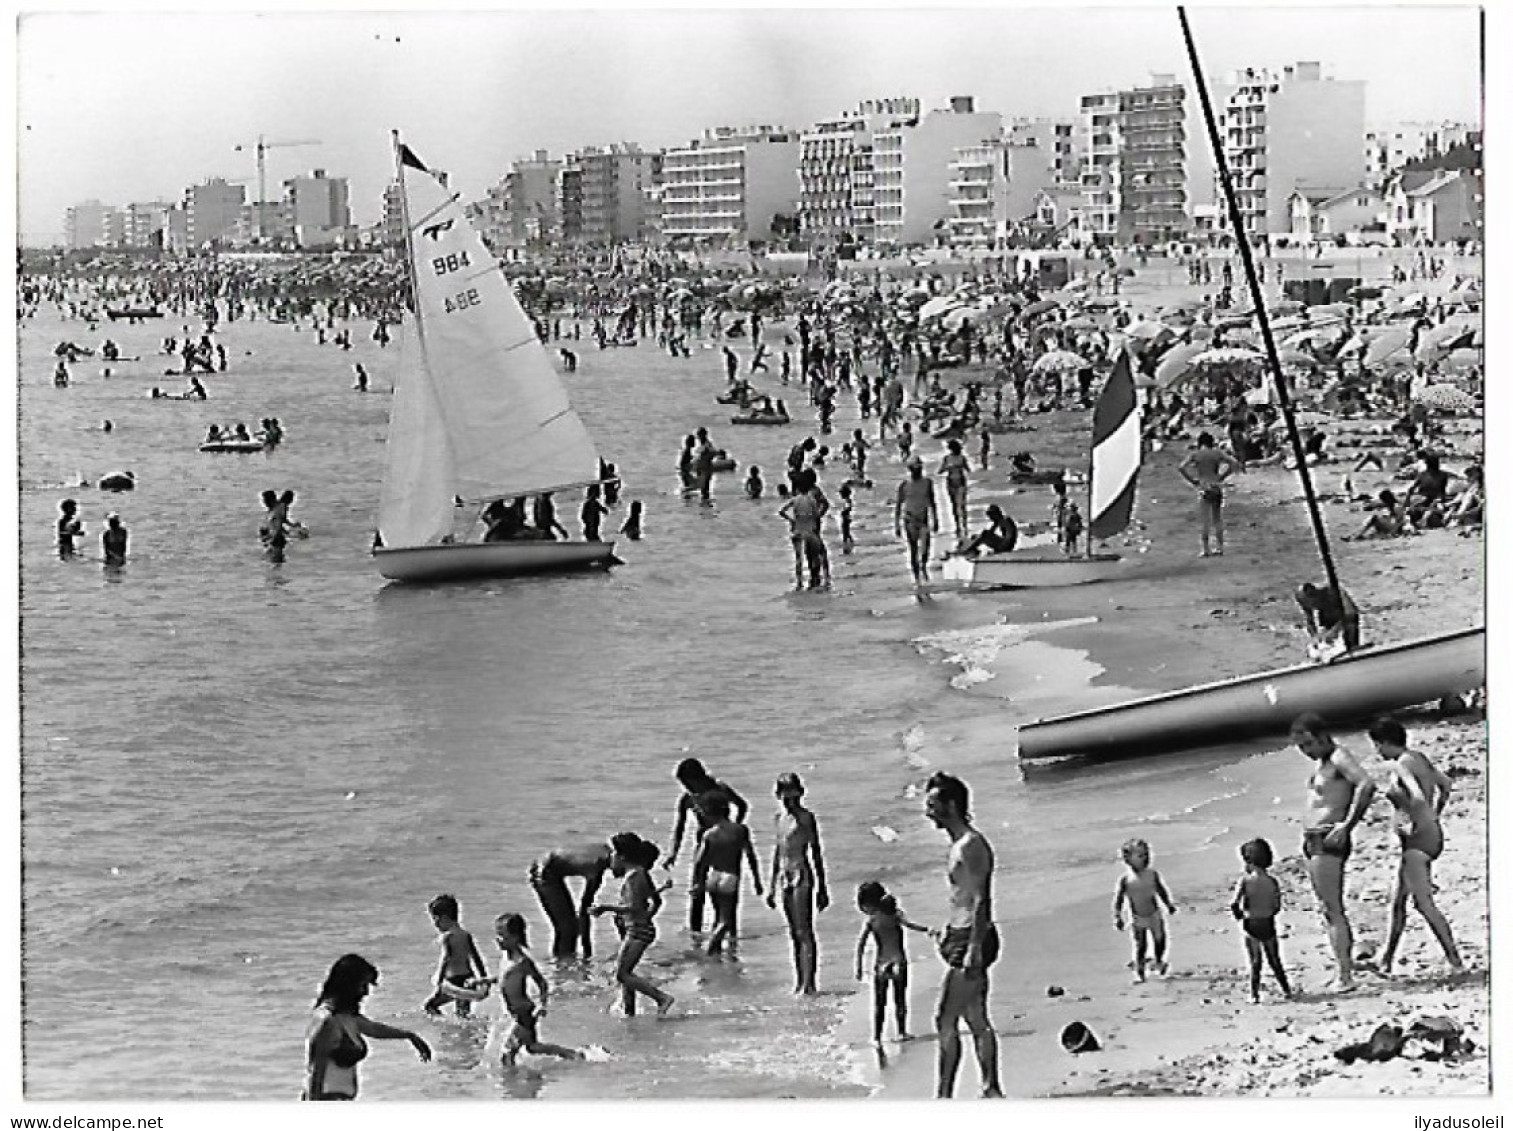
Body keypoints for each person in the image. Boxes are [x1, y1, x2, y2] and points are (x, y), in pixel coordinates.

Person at [923, 771, 1002, 1098]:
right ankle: (990, 1088)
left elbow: (982, 897)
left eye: (932, 805)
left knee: (945, 1019)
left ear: (951, 805)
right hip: (962, 933)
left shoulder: (972, 845)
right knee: (975, 1017)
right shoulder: (959, 844)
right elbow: (963, 896)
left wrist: (972, 946)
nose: (928, 813)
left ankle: (944, 1096)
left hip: (973, 936)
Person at [1368, 717, 1464, 974]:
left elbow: (1418, 796)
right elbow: (1445, 785)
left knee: (1423, 904)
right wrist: (1435, 816)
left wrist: (1411, 817)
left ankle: (1456, 961)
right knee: (1398, 901)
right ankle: (1385, 960)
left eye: (1377, 745)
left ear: (1386, 743)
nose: (1377, 751)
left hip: (1417, 841)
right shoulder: (1418, 757)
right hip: (1431, 834)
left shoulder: (1401, 765)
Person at [1291, 711, 1376, 992]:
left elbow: (1366, 785)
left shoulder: (1339, 757)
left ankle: (1345, 976)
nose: (1306, 752)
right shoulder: (1325, 762)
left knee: (1333, 909)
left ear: (1322, 737)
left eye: (1308, 745)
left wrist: (1347, 825)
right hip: (1316, 839)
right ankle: (1342, 969)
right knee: (1326, 909)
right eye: (1301, 748)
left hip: (1328, 838)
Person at [303, 954, 431, 1101]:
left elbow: (374, 1029)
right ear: (348, 985)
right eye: (362, 985)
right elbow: (316, 1073)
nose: (366, 992)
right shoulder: (327, 1020)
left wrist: (409, 1036)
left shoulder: (347, 1017)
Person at [591, 833, 676, 1017]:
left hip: (637, 931)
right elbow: (654, 900)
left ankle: (661, 998)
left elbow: (633, 906)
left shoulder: (633, 877)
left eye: (613, 852)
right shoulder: (640, 873)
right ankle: (629, 1011)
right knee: (626, 973)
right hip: (639, 928)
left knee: (622, 974)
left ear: (622, 856)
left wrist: (605, 907)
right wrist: (647, 917)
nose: (610, 857)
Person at [482, 913, 583, 1065]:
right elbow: (506, 978)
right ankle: (571, 1054)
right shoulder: (505, 958)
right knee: (532, 1048)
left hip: (525, 1014)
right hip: (516, 1013)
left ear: (516, 938)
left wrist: (542, 1004)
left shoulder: (522, 962)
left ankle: (511, 1084)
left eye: (503, 936)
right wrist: (487, 980)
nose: (498, 940)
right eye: (497, 935)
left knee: (507, 1053)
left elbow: (542, 983)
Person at [665, 758, 749, 933]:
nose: (686, 788)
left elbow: (742, 805)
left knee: (728, 888)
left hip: (725, 844)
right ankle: (696, 933)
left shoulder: (720, 789)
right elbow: (679, 827)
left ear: (698, 778)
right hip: (703, 843)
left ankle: (728, 929)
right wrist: (673, 853)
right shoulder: (688, 799)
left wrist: (733, 828)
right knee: (697, 890)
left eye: (688, 783)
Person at [766, 772, 829, 995]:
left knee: (805, 930)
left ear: (800, 792)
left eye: (792, 794)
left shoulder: (806, 818)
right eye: (784, 795)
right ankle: (799, 980)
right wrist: (771, 885)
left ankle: (809, 983)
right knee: (793, 932)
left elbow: (816, 851)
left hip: (802, 872)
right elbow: (778, 850)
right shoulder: (778, 818)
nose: (789, 800)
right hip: (784, 874)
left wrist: (822, 886)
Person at [854, 881, 930, 1046]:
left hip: (881, 965)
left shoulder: (871, 921)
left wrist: (859, 967)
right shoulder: (896, 915)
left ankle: (876, 1037)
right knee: (899, 999)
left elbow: (861, 945)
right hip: (898, 962)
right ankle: (901, 1032)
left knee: (879, 1003)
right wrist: (928, 930)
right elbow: (911, 925)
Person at [692, 792, 763, 956]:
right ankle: (715, 948)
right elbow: (750, 855)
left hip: (714, 876)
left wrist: (698, 882)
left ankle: (718, 954)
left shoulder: (709, 834)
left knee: (718, 916)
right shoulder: (740, 830)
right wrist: (757, 880)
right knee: (727, 918)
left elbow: (699, 861)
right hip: (730, 877)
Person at [1229, 838, 1293, 1004]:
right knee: (1275, 960)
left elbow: (1234, 903)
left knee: (1255, 962)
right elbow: (1277, 906)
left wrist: (1240, 916)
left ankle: (1254, 994)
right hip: (1268, 922)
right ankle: (1286, 990)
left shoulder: (1245, 881)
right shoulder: (1272, 882)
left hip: (1251, 922)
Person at [529, 843, 611, 960]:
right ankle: (562, 963)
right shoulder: (596, 865)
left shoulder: (605, 854)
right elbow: (584, 911)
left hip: (550, 868)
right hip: (542, 871)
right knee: (566, 928)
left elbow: (584, 912)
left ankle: (564, 963)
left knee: (570, 927)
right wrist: (587, 954)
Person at [1113, 838, 1178, 983]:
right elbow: (1119, 900)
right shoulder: (1126, 880)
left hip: (1155, 914)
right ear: (1127, 859)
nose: (1146, 858)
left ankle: (1159, 961)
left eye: (1147, 854)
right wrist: (1117, 916)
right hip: (1137, 917)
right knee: (1140, 945)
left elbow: (1161, 890)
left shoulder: (1152, 874)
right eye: (1140, 856)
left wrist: (1168, 904)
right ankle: (1140, 971)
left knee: (1160, 940)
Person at [421, 894, 489, 1017]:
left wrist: (439, 979)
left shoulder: (447, 937)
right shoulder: (465, 935)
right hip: (468, 979)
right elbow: (476, 958)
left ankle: (447, 1028)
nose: (435, 924)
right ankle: (470, 1033)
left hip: (453, 980)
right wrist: (484, 980)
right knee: (463, 1014)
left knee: (430, 1006)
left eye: (435, 919)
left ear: (445, 918)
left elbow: (446, 958)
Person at [1177, 431, 1242, 557]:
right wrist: (1222, 476)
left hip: (1204, 487)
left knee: (1205, 519)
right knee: (1217, 518)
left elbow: (1181, 467)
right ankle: (1219, 547)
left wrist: (1192, 481)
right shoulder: (1217, 453)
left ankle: (1206, 549)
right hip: (1216, 486)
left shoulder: (1196, 454)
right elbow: (1234, 463)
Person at [894, 455, 939, 585]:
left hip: (923, 518)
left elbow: (932, 502)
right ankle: (916, 577)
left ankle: (923, 566)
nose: (917, 471)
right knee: (913, 549)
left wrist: (936, 518)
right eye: (914, 469)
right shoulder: (904, 485)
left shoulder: (927, 483)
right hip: (909, 519)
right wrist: (896, 525)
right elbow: (898, 505)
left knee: (925, 549)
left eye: (919, 468)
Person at [1296, 582, 1361, 656]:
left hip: (1345, 615)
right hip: (1327, 616)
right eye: (1309, 604)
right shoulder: (1301, 597)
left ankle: (1354, 649)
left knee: (1350, 628)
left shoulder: (1334, 591)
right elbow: (1309, 620)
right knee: (1324, 641)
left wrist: (1335, 630)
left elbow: (1351, 613)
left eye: (1314, 602)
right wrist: (1315, 637)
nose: (1313, 606)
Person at [939, 438, 972, 540]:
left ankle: (965, 525)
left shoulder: (962, 458)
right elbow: (940, 470)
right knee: (953, 504)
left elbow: (968, 469)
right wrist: (948, 467)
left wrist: (959, 466)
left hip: (961, 482)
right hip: (950, 482)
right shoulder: (946, 458)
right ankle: (957, 524)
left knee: (962, 504)